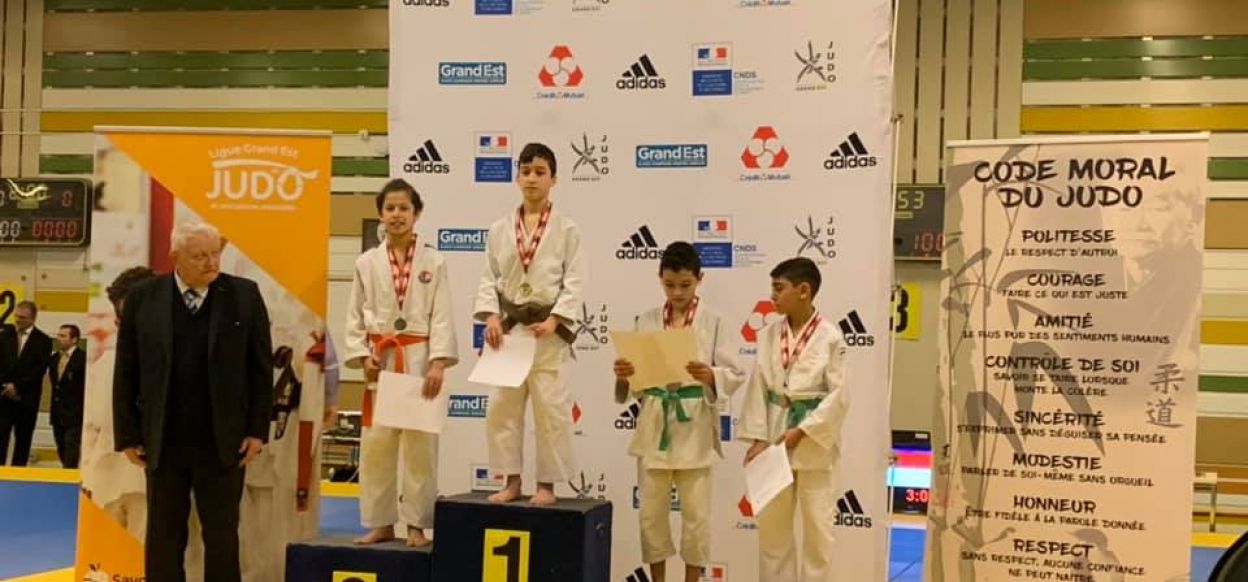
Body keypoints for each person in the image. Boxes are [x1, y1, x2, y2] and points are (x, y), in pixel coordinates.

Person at [113, 221, 274, 582]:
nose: (211, 263)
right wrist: (127, 435)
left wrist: (257, 431)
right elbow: (126, 371)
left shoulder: (244, 295)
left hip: (223, 440)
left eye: (215, 253)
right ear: (175, 257)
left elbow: (261, 370)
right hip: (163, 440)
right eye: (200, 255)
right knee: (163, 536)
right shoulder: (143, 297)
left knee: (222, 536)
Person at [612, 241, 745, 582]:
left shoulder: (714, 322)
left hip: (695, 423)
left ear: (699, 279)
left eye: (685, 284)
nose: (677, 292)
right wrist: (626, 375)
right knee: (651, 516)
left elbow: (735, 373)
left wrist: (710, 375)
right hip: (656, 420)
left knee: (696, 517)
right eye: (670, 284)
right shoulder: (646, 320)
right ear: (660, 279)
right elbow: (635, 384)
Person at [344, 178, 458, 547]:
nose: (396, 215)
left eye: (403, 208)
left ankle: (416, 524)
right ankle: (380, 522)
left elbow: (442, 314)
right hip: (383, 357)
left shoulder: (433, 260)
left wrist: (439, 362)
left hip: (419, 358)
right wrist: (363, 357)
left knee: (420, 446)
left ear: (417, 213)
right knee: (377, 445)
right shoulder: (366, 262)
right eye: (390, 208)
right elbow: (353, 316)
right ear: (381, 213)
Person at [475, 142, 587, 506]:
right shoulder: (498, 229)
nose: (532, 178)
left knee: (550, 411)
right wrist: (490, 316)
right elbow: (488, 277)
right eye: (526, 171)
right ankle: (511, 481)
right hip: (510, 330)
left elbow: (575, 279)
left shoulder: (567, 229)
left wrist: (557, 319)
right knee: (501, 409)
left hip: (547, 332)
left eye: (540, 172)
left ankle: (547, 485)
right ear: (517, 177)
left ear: (553, 179)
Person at [738, 257, 849, 582]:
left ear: (804, 290)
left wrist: (803, 430)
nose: (772, 295)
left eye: (778, 288)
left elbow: (839, 395)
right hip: (774, 438)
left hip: (814, 442)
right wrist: (758, 439)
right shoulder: (769, 334)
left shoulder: (830, 336)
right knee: (773, 532)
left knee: (818, 532)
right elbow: (758, 386)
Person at [82, 267, 156, 539]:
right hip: (105, 481)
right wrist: (86, 476)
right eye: (123, 316)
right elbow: (90, 428)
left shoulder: (175, 365)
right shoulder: (104, 364)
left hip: (151, 484)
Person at [0, 301, 53, 466]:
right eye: (16, 316)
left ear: (33, 318)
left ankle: (18, 476)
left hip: (27, 399)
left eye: (23, 317)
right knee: (1, 439)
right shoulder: (3, 336)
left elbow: (39, 370)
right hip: (3, 398)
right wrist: (5, 386)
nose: (18, 320)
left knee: (23, 441)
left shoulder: (43, 341)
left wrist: (17, 387)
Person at [49, 324, 87, 468]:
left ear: (74, 339)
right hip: (57, 412)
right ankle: (66, 471)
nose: (59, 339)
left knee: (71, 448)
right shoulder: (53, 359)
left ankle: (69, 476)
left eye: (63, 336)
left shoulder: (83, 359)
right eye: (58, 335)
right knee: (61, 447)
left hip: (75, 413)